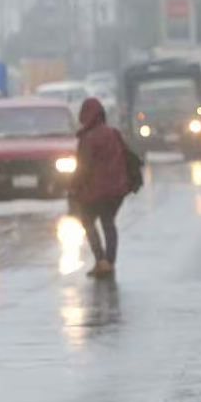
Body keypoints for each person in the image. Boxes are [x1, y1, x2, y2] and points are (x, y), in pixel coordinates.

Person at [72, 97, 133, 278]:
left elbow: (83, 166)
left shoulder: (87, 138)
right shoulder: (113, 133)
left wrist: (74, 186)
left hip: (96, 190)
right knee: (108, 223)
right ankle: (110, 262)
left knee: (88, 222)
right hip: (116, 190)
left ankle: (101, 260)